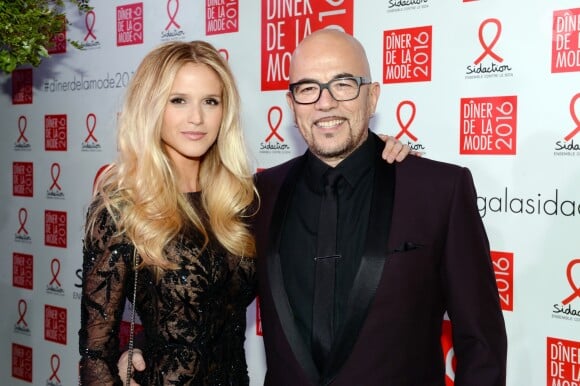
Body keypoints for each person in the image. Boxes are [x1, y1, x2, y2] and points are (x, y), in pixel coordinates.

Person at [79, 40, 410, 385]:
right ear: (151, 107)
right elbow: (94, 356)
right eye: (178, 100)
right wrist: (128, 354)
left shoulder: (244, 199)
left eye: (211, 101)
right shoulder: (121, 210)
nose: (197, 118)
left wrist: (376, 156)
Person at [251, 29, 508, 385]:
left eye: (343, 84)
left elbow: (482, 344)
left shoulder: (438, 191)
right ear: (291, 103)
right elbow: (209, 299)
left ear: (372, 97)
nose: (325, 103)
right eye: (308, 88)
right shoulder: (260, 194)